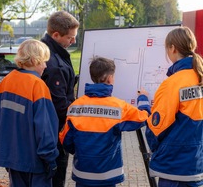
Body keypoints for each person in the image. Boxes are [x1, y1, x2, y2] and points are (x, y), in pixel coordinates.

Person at [59, 56, 151, 187]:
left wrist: (81, 152)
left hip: (82, 174)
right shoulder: (118, 106)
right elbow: (143, 117)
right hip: (107, 175)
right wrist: (143, 98)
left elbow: (66, 139)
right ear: (109, 78)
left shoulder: (76, 106)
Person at [145, 26, 203, 187]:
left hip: (175, 169)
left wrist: (144, 105)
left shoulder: (173, 84)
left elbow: (156, 128)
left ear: (173, 48)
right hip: (198, 163)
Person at [0, 39, 59, 187]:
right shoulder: (37, 85)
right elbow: (45, 129)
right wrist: (50, 159)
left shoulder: (6, 81)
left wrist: (1, 148)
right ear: (35, 60)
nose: (45, 66)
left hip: (12, 157)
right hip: (35, 162)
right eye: (43, 62)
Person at [41, 10, 80, 187]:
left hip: (51, 130)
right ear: (56, 35)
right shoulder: (52, 62)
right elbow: (59, 104)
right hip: (56, 131)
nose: (73, 41)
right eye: (70, 38)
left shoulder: (54, 53)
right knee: (56, 177)